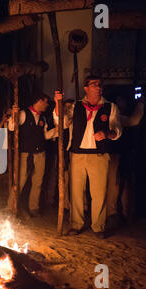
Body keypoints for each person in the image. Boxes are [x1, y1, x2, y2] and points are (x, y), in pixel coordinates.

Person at [54, 76, 122, 239]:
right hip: (77, 155)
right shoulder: (75, 106)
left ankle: (98, 226)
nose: (98, 87)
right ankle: (76, 224)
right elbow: (61, 122)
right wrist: (58, 103)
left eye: (99, 85)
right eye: (94, 85)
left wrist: (106, 134)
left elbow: (118, 130)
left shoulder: (110, 107)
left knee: (99, 192)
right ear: (86, 88)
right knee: (76, 192)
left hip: (99, 156)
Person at [8, 92, 58, 217]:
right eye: (45, 102)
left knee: (37, 182)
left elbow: (45, 135)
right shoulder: (24, 114)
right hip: (25, 154)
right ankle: (10, 207)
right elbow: (11, 127)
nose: (47, 105)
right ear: (39, 101)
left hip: (40, 154)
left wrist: (57, 130)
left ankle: (33, 207)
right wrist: (14, 115)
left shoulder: (43, 118)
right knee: (19, 181)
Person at [106, 96, 144, 226]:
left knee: (125, 184)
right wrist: (141, 104)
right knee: (114, 184)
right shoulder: (116, 117)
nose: (123, 103)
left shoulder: (122, 116)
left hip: (125, 153)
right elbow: (134, 121)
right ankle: (112, 212)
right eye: (121, 101)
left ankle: (125, 213)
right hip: (115, 154)